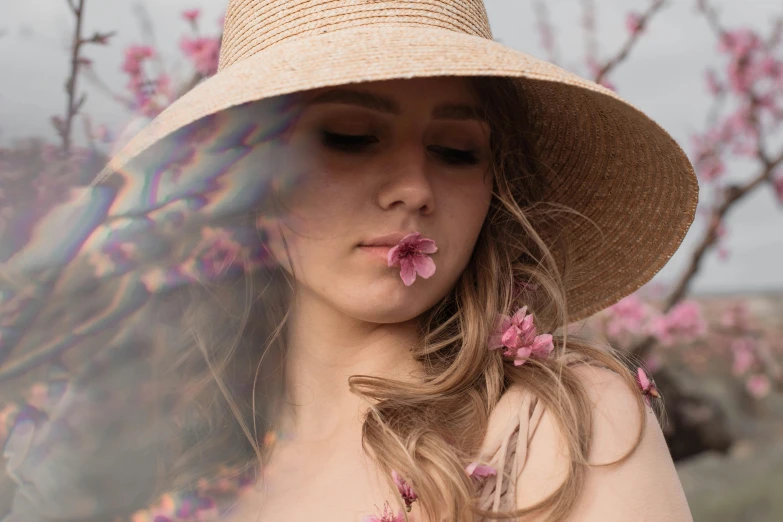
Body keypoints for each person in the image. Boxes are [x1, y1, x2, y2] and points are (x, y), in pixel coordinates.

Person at [0, 0, 698, 521]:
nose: (414, 190)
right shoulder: (174, 463)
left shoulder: (560, 423)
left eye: (456, 151)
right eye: (348, 136)